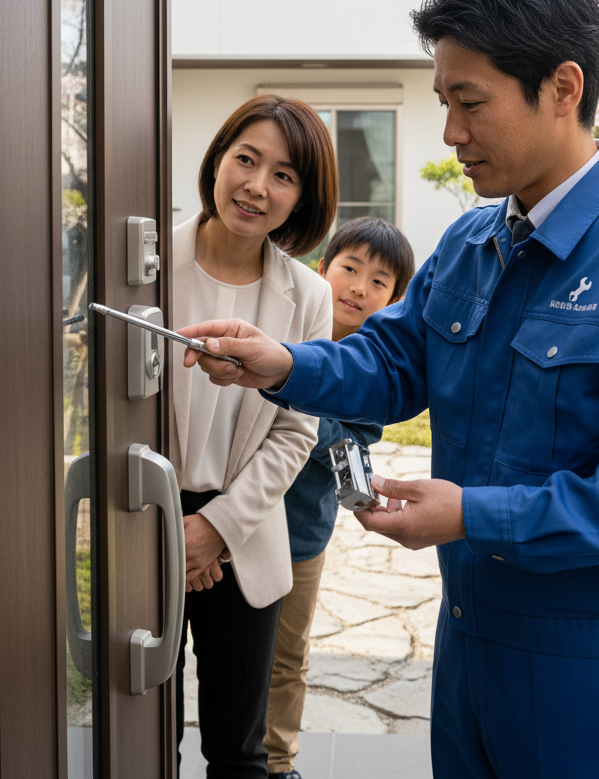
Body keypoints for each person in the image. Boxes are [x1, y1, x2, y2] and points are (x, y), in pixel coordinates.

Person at [182, 0, 599, 779]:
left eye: (470, 103)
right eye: (444, 101)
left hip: (592, 677)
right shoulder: (474, 241)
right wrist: (281, 362)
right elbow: (393, 360)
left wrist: (474, 515)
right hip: (468, 649)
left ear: (563, 89)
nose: (451, 133)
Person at [171, 94, 337, 776]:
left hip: (240, 533)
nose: (256, 186)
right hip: (142, 512)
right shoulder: (147, 261)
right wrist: (172, 522)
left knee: (240, 751)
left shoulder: (309, 294)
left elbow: (297, 432)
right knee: (136, 728)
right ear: (217, 160)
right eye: (247, 159)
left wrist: (215, 527)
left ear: (302, 199)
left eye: (284, 175)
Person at [265, 217, 415, 779]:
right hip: (231, 515)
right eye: (349, 268)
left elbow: (351, 451)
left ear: (395, 301)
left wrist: (296, 395)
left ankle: (277, 762)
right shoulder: (285, 325)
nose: (358, 287)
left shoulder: (373, 369)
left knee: (285, 657)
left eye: (379, 282)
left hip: (300, 532)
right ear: (320, 269)